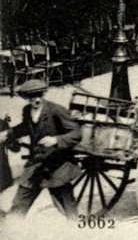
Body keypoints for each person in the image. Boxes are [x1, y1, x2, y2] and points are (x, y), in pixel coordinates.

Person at [0, 80, 82, 220]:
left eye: (39, 95)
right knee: (20, 201)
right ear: (26, 97)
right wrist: (9, 133)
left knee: (68, 208)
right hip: (36, 165)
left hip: (58, 167)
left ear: (43, 94)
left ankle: (78, 231)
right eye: (32, 97)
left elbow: (76, 134)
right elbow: (26, 127)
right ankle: (12, 228)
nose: (37, 99)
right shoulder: (27, 111)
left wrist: (56, 140)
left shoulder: (56, 110)